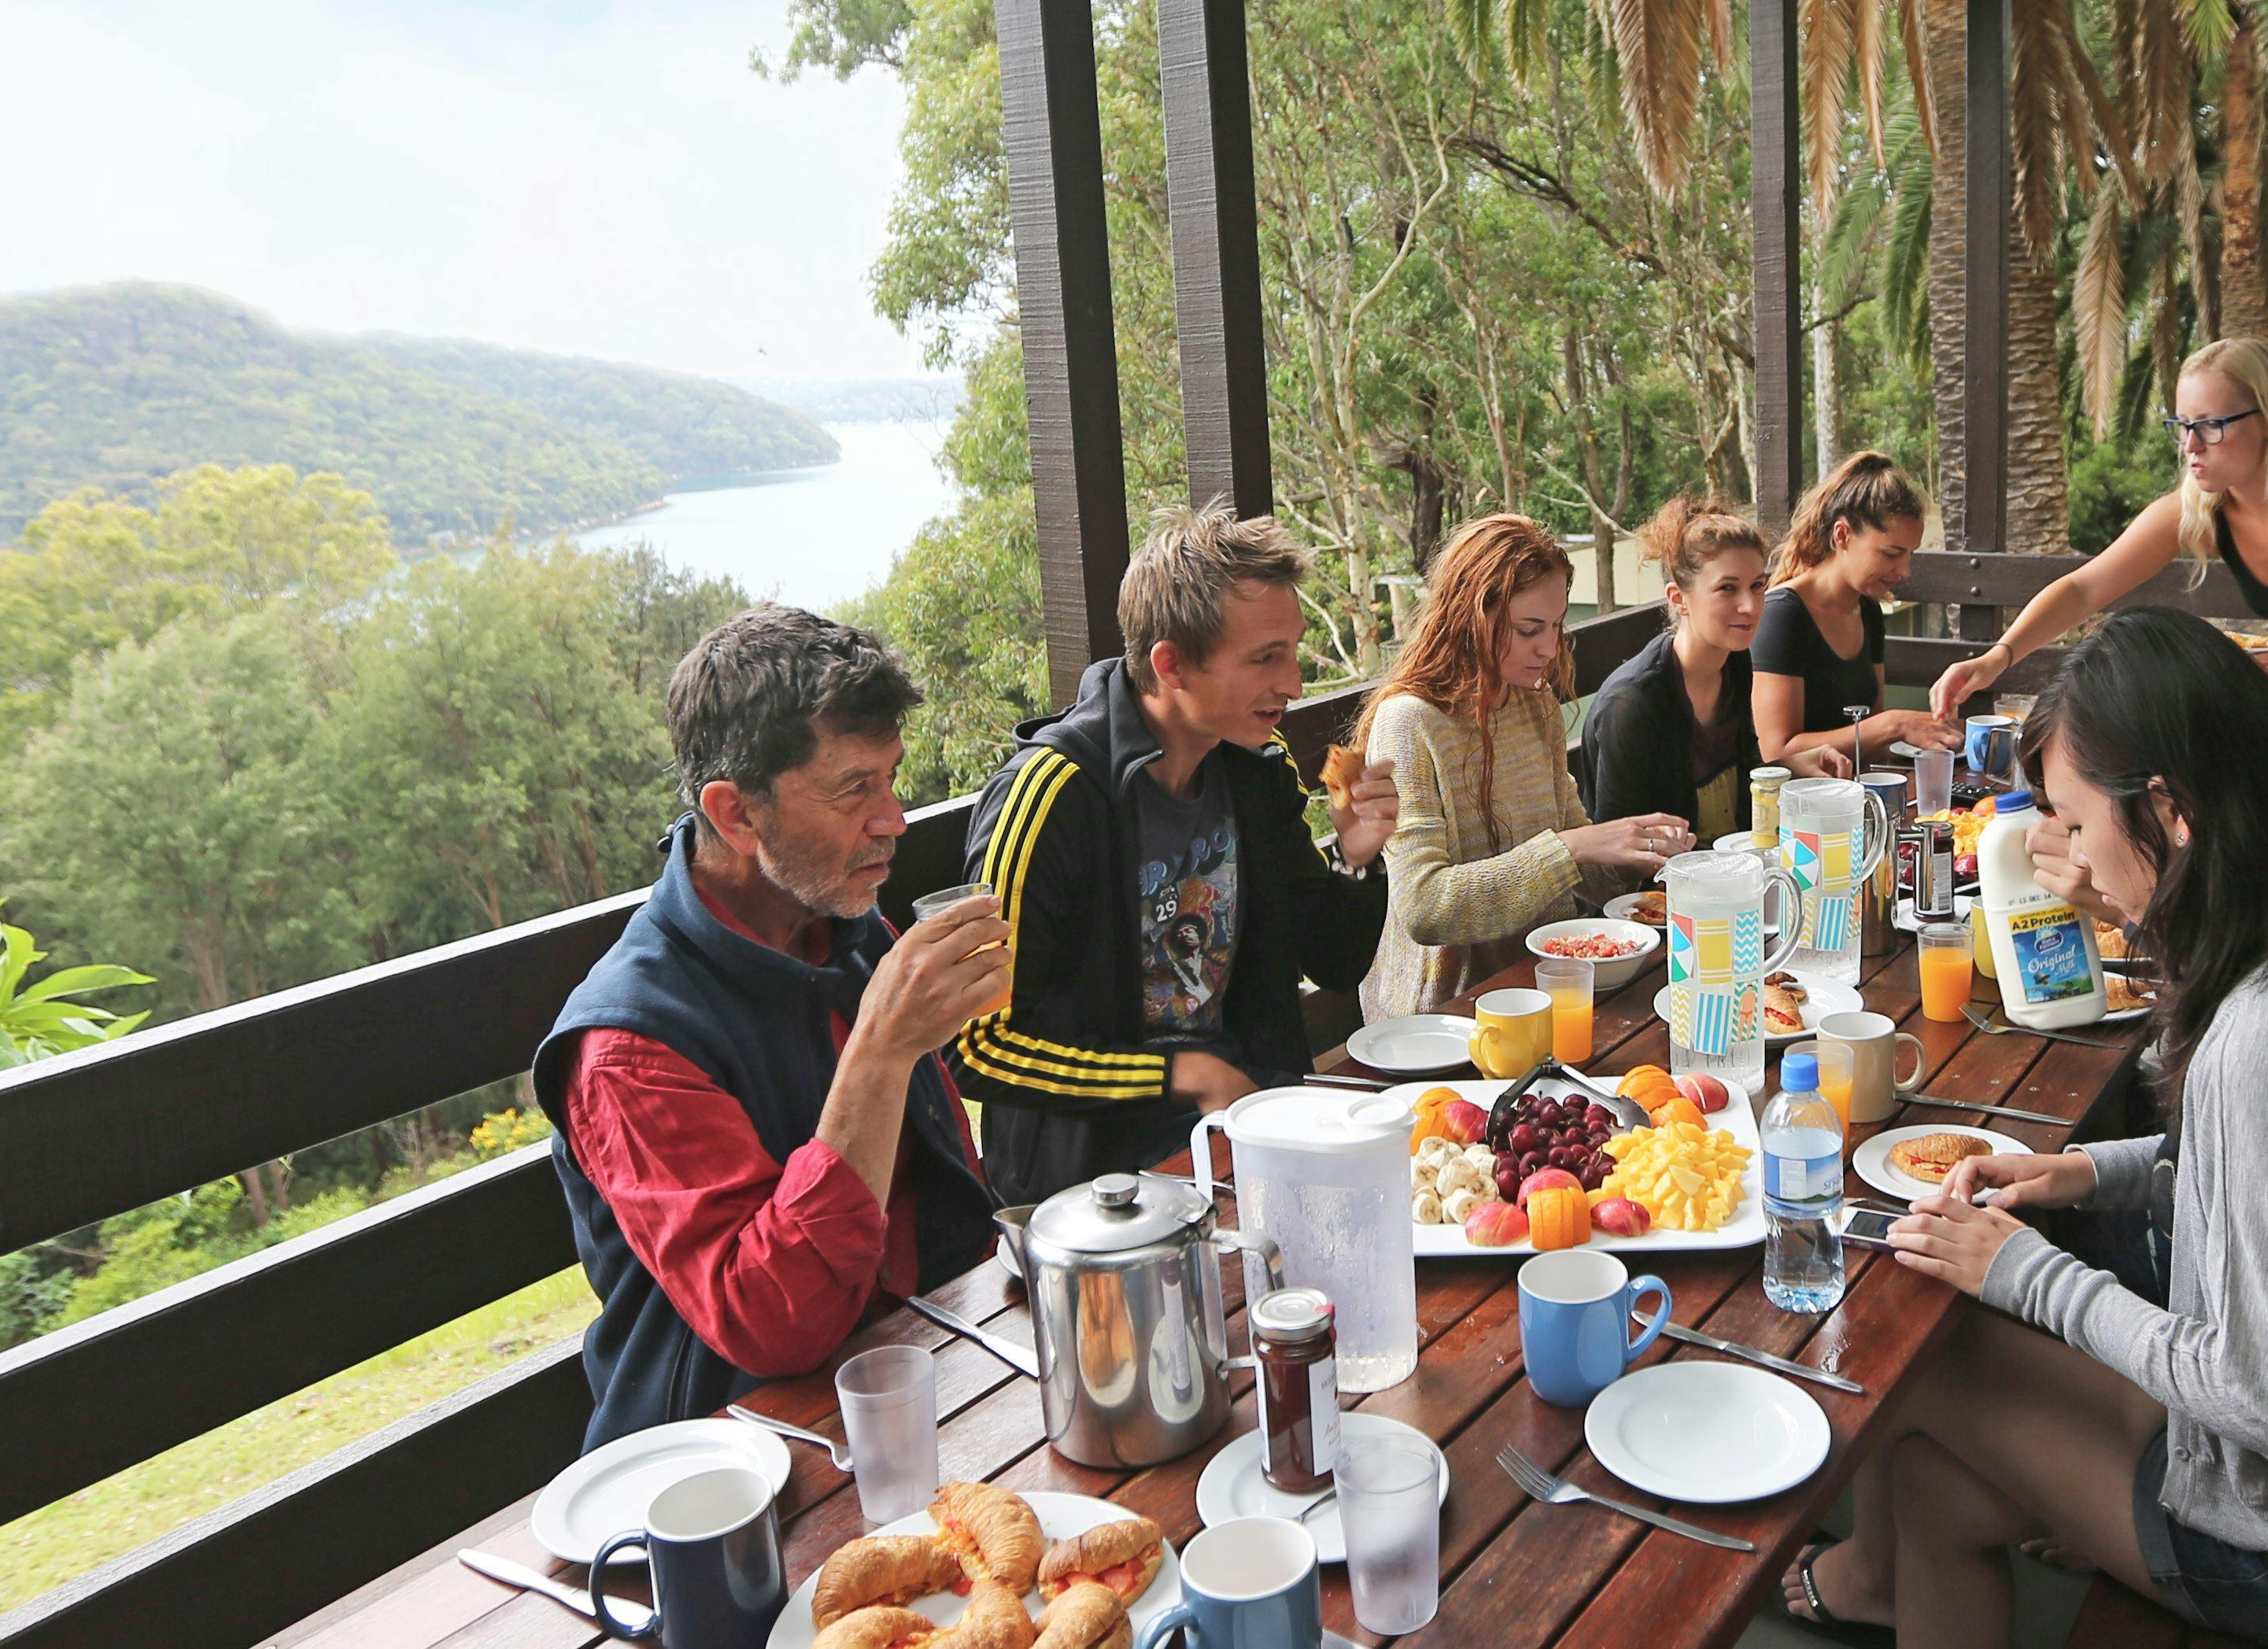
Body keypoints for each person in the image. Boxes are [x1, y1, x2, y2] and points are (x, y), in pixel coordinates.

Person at [1785, 607, 2268, 1647]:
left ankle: (1874, 1577)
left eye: (2073, 821)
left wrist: (2027, 1275)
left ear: (2169, 809)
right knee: (1932, 1485)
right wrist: (2081, 1170)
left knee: (1918, 1366)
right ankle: (1883, 1580)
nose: (2060, 852)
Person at [534, 607, 1003, 1448]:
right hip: (734, 1462)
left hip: (918, 1376)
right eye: (854, 789)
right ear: (735, 814)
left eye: (890, 779)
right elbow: (772, 1325)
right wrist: (882, 1048)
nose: (893, 819)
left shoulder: (846, 931)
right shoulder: (629, 1049)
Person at [950, 504, 1398, 1206]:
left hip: (1243, 1141)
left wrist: (1356, 857)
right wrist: (1179, 1074)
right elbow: (977, 1047)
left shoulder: (1255, 766)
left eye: (1293, 650)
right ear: (1171, 664)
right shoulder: (1049, 797)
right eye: (1265, 658)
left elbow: (1335, 962)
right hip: (1096, 1192)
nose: (1294, 684)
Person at [1928, 337, 2268, 786]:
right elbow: (2085, 589)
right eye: (2181, 425)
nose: (2191, 445)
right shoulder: (2201, 510)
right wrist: (1997, 657)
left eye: (2211, 425)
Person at [1355, 514, 1684, 1018]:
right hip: (1444, 1018)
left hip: (1544, 990)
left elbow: (1578, 866)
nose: (1549, 648)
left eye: (1556, 626)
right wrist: (1571, 847)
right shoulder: (1408, 722)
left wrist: (1632, 850)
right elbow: (1424, 908)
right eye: (1529, 629)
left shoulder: (1537, 707)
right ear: (1472, 615)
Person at [1582, 496, 1848, 841]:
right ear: (1679, 599)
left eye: (1757, 586)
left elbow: (1737, 781)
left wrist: (1789, 768)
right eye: (1727, 589)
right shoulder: (1633, 703)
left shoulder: (1735, 661)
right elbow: (1617, 854)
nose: (1749, 607)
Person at [1750, 452, 1960, 773]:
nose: (1905, 570)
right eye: (1892, 554)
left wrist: (1928, 729)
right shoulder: (1781, 615)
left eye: (1909, 555)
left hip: (1854, 796)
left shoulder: (1868, 611)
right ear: (1842, 535)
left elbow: (1869, 742)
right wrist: (1894, 724)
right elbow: (1777, 751)